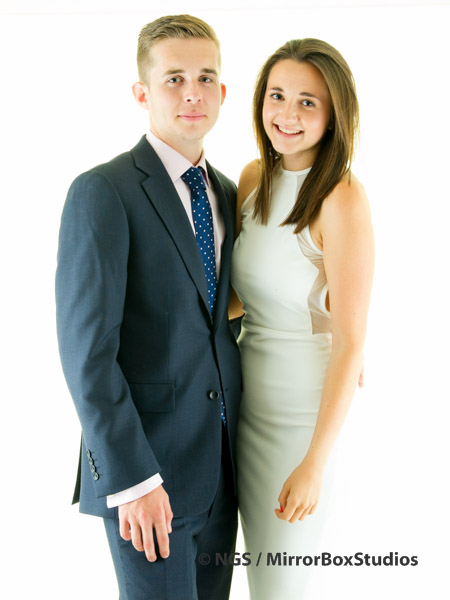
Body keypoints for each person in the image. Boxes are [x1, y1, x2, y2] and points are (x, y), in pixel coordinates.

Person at [55, 14, 241, 600]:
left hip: (222, 471)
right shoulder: (103, 191)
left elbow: (219, 319)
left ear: (222, 91)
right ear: (142, 93)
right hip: (147, 477)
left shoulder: (228, 194)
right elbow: (87, 354)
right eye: (174, 79)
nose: (193, 93)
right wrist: (133, 479)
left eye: (205, 78)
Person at [230, 38, 374, 598]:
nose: (286, 114)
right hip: (241, 402)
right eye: (277, 95)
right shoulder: (252, 179)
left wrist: (314, 462)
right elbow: (239, 300)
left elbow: (350, 342)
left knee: (279, 585)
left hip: (297, 421)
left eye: (307, 102)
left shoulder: (342, 198)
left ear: (334, 114)